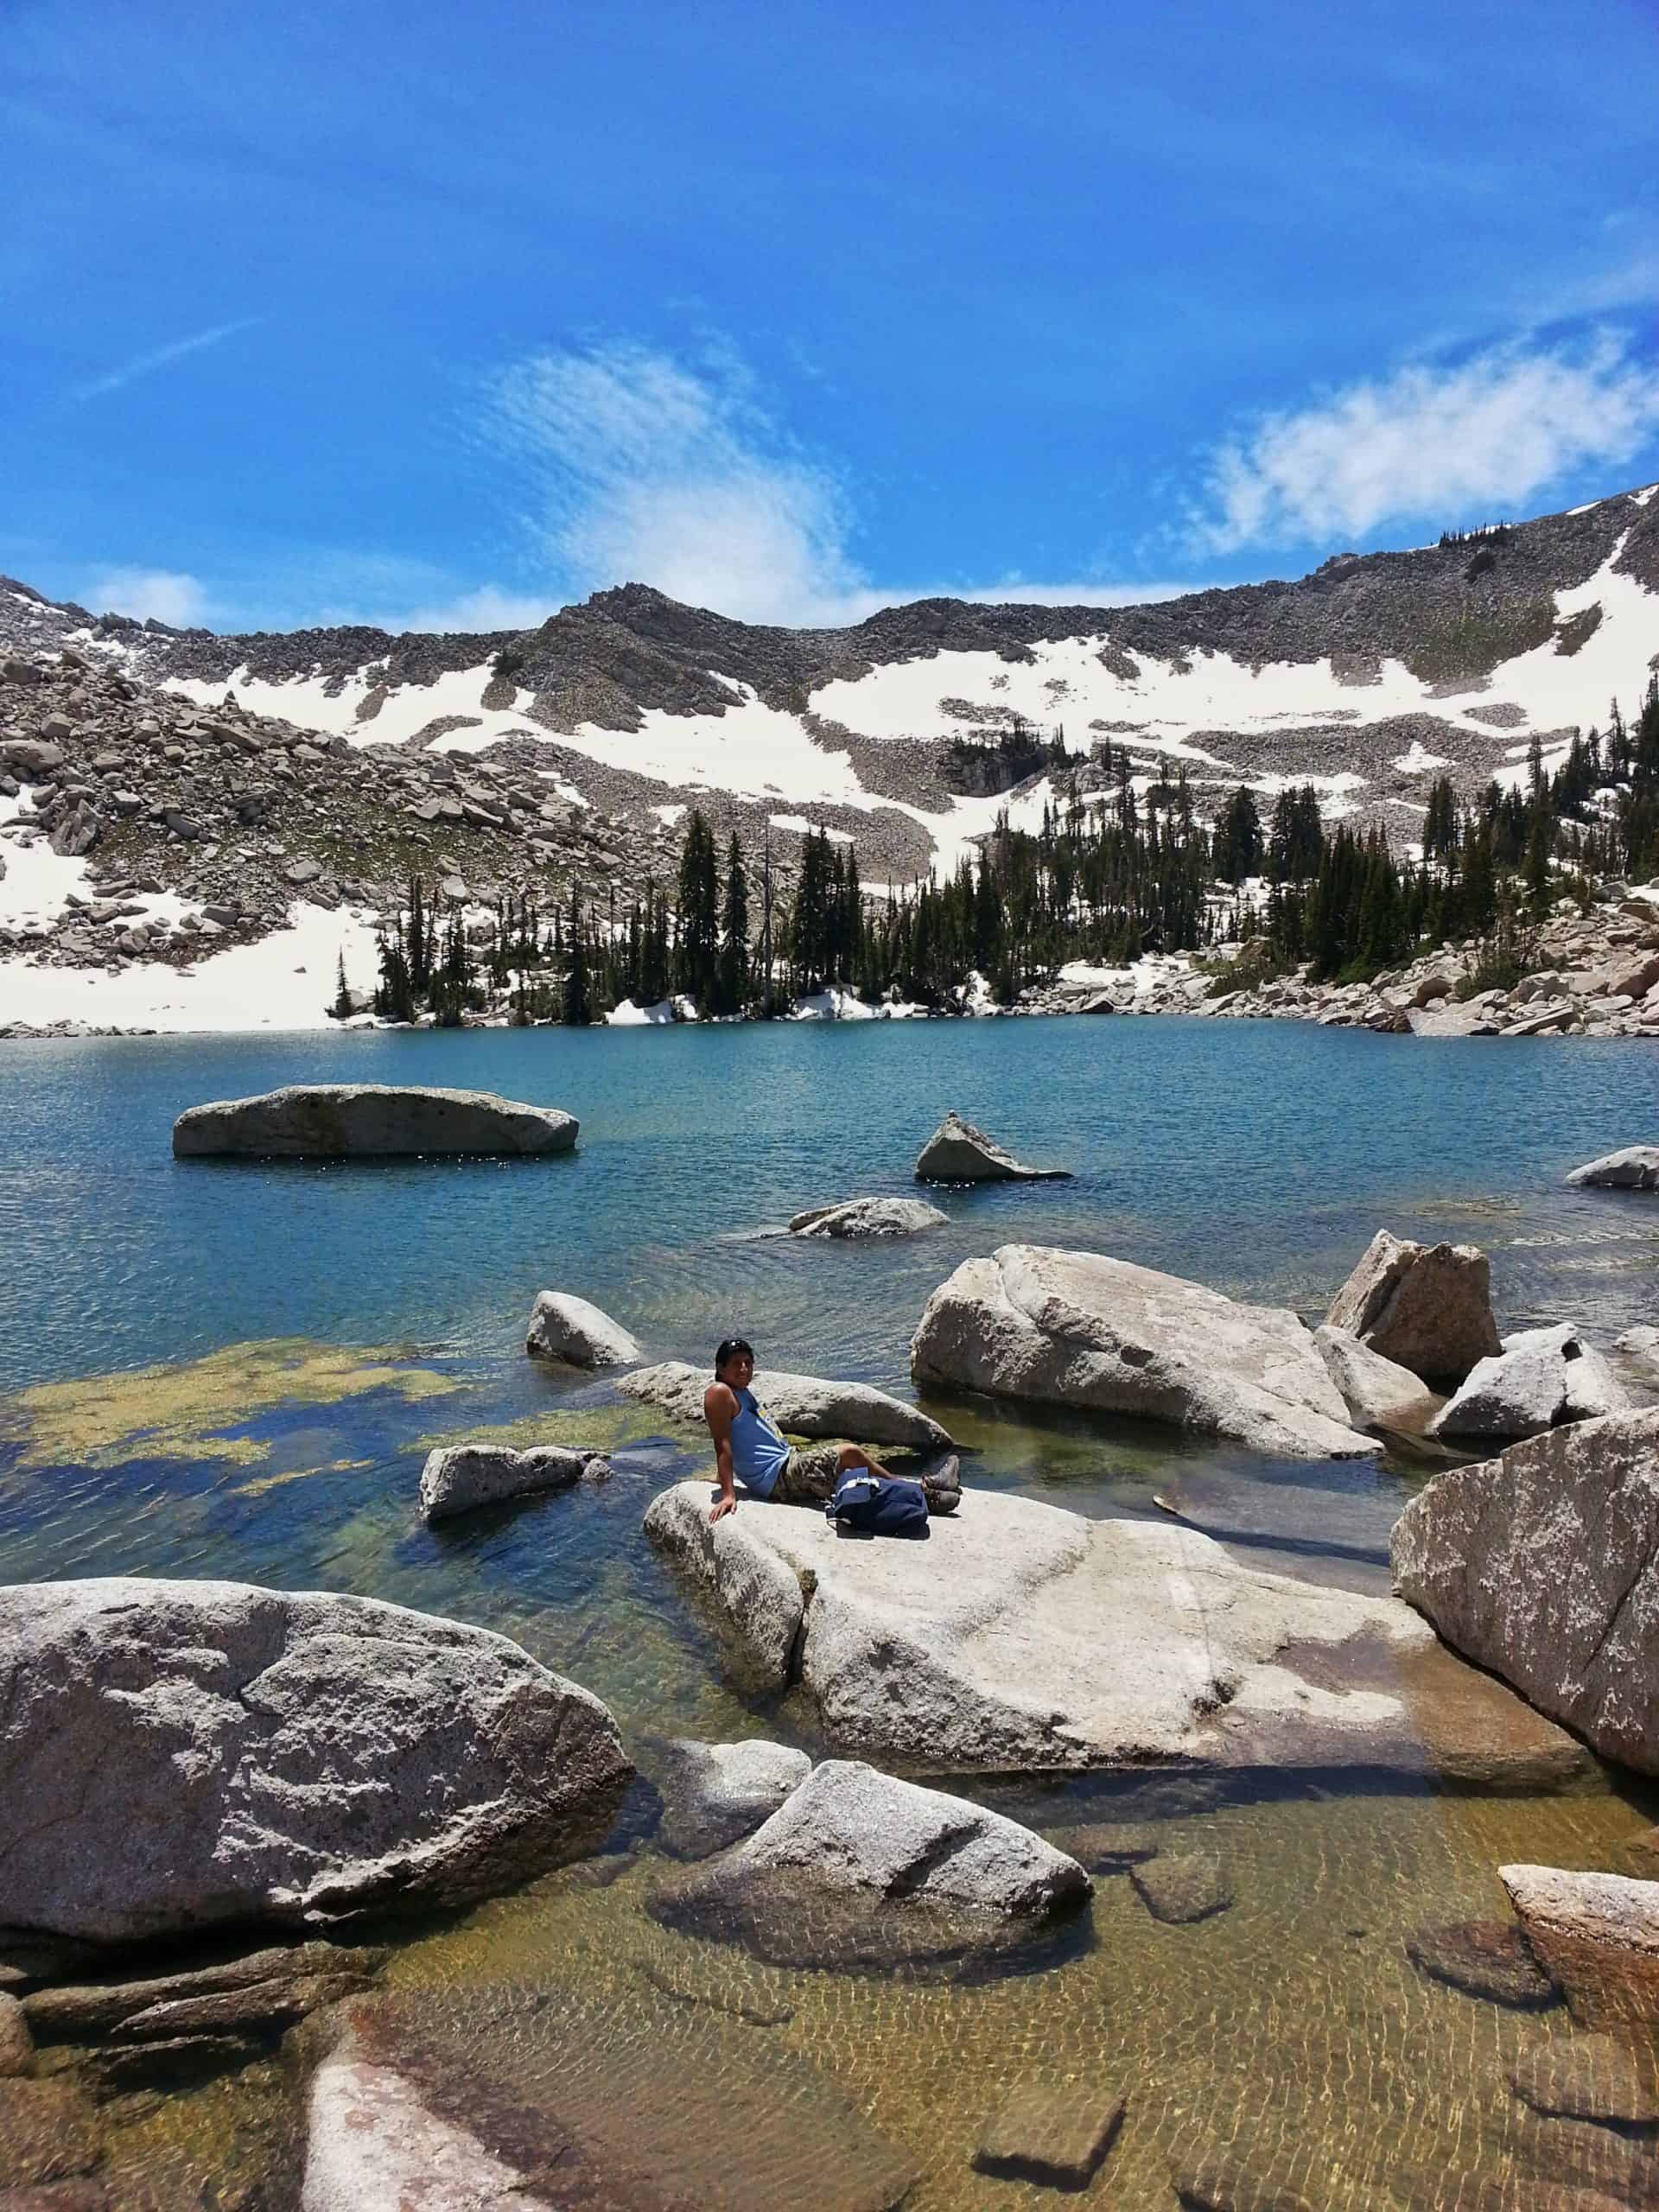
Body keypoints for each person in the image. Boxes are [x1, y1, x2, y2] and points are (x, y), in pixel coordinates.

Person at [702, 1337, 957, 1523]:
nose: (745, 1369)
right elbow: (722, 1442)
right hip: (778, 1477)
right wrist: (727, 1493)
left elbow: (738, 1438)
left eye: (748, 1362)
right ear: (721, 1368)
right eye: (737, 1364)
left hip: (788, 1463)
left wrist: (719, 1477)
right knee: (849, 1453)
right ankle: (922, 1492)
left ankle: (926, 1489)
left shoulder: (741, 1392)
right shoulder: (719, 1393)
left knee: (854, 1477)